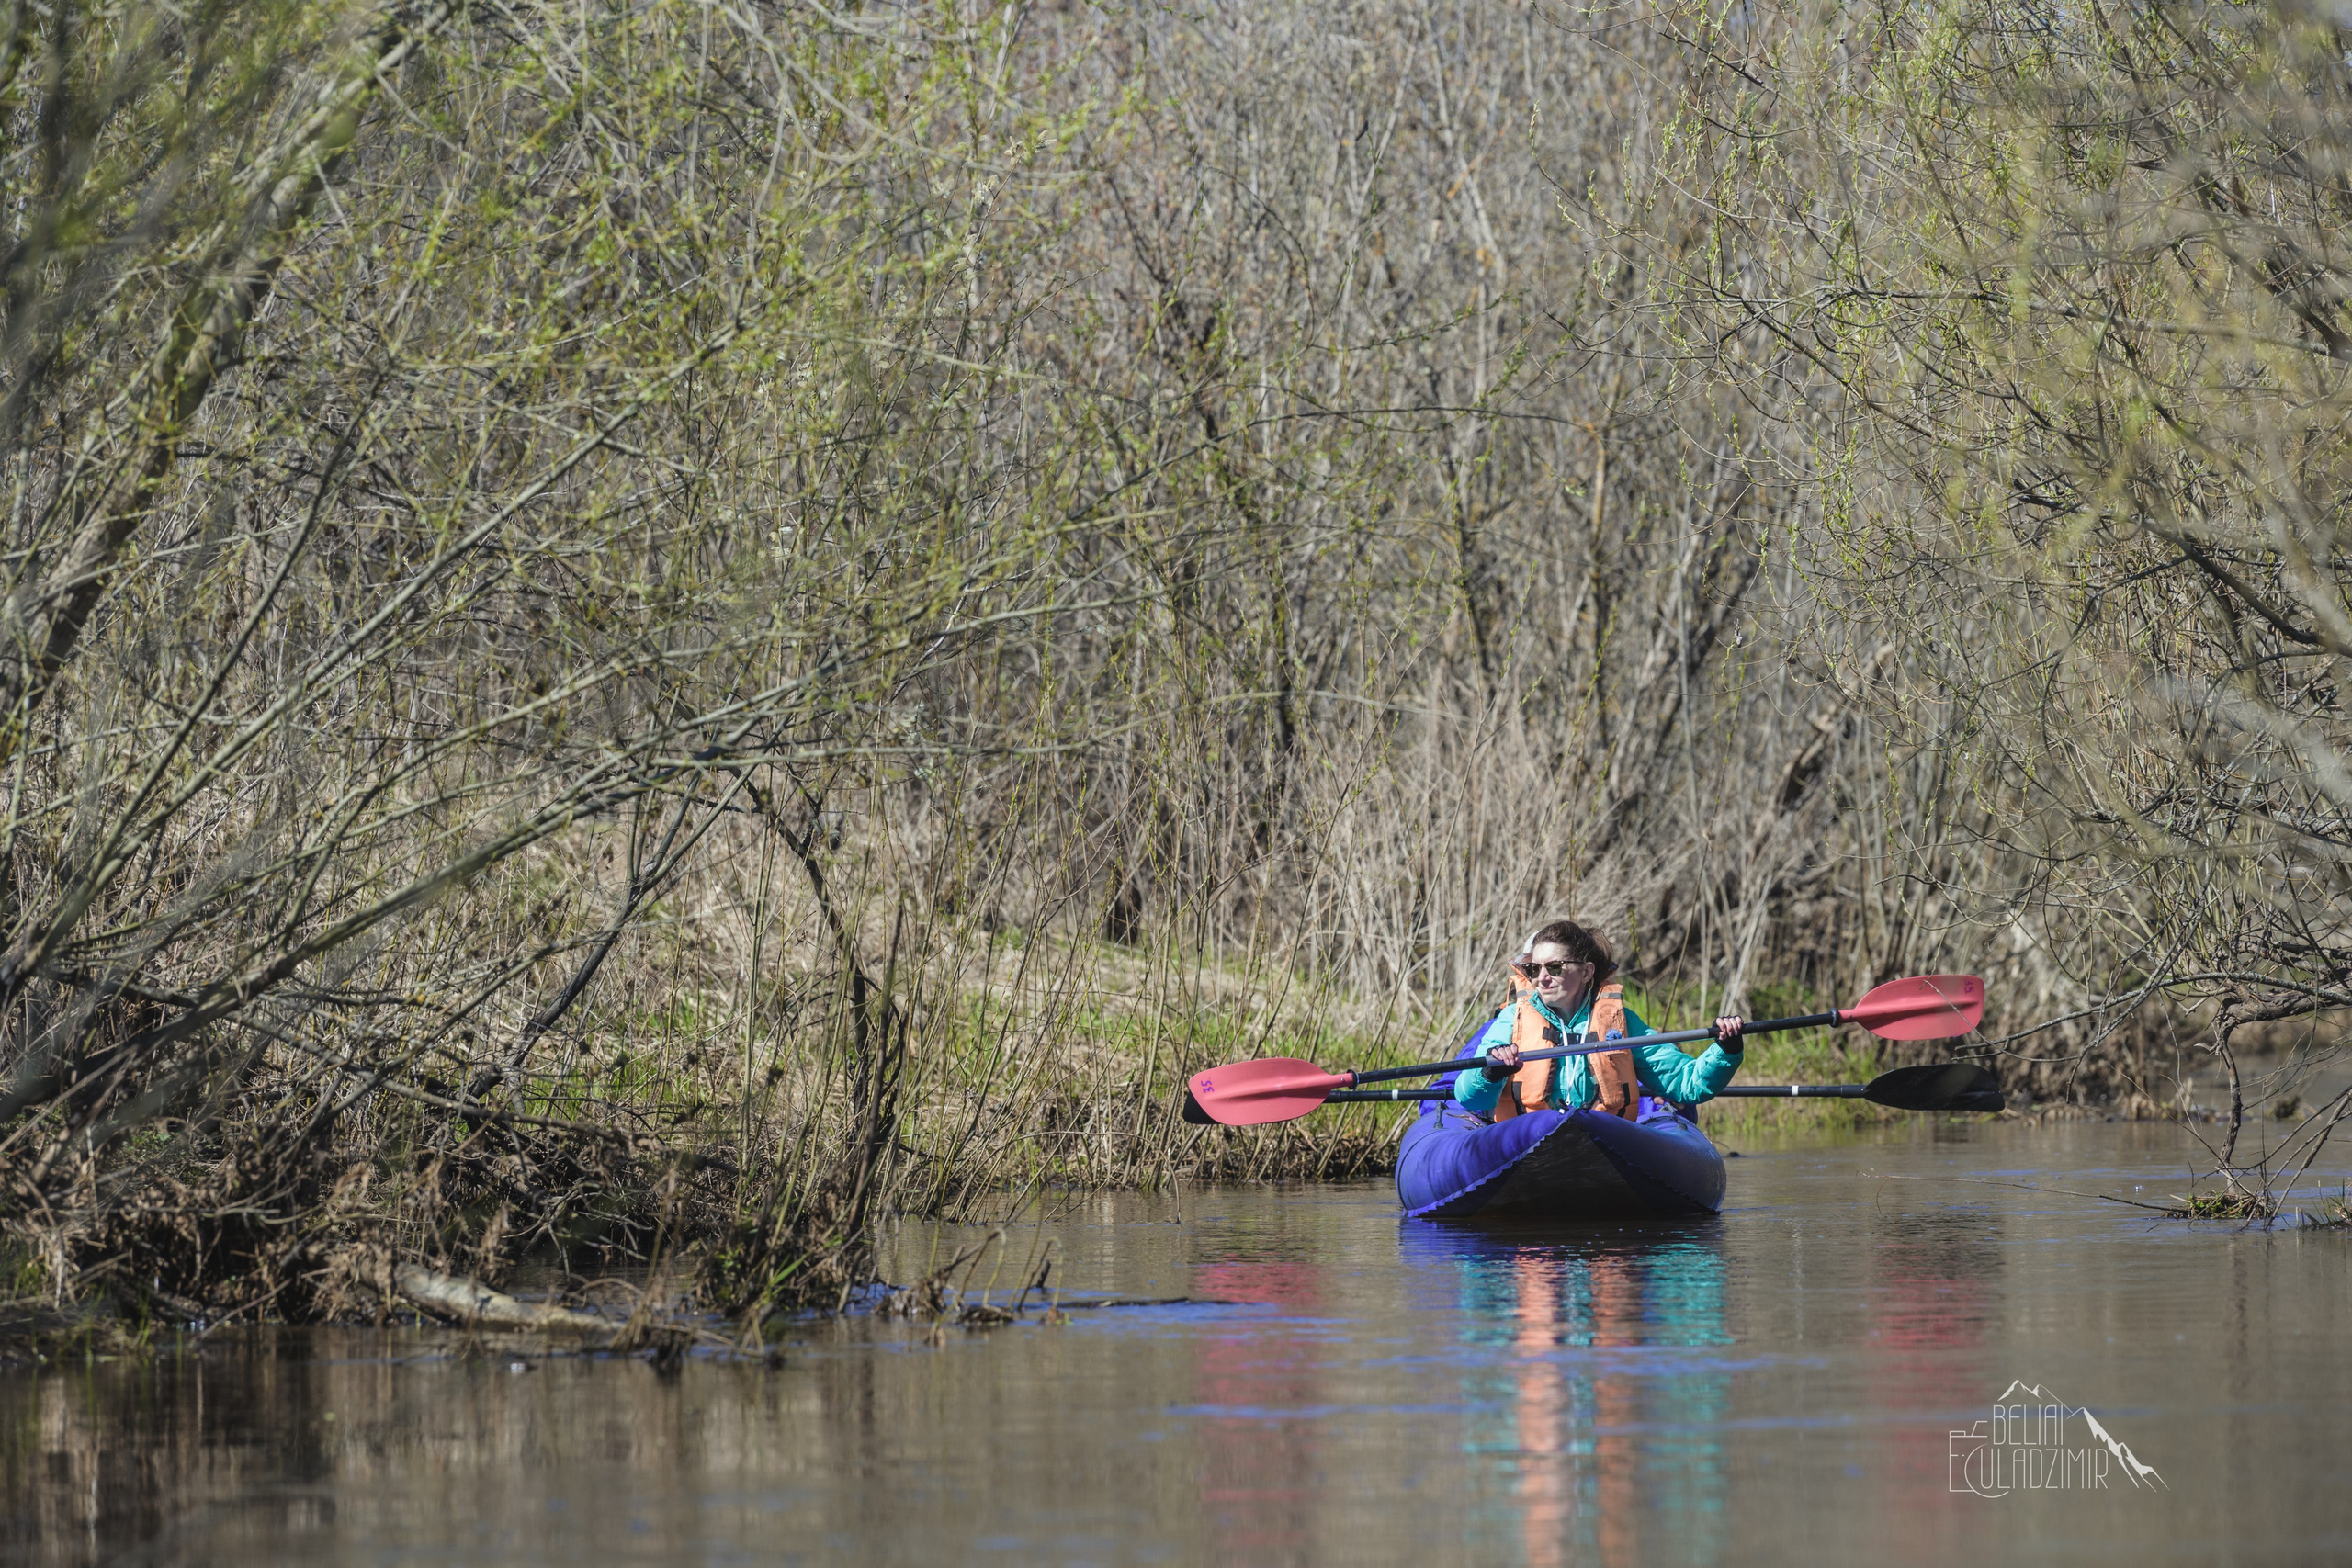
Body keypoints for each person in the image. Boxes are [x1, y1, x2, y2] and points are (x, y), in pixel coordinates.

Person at [1452, 919, 1747, 1121]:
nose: (1542, 978)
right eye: (1534, 969)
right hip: (1527, 1141)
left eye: (1554, 967)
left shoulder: (1620, 1022)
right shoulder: (1510, 1020)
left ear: (1587, 972)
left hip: (1601, 1138)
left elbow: (1686, 1084)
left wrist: (1727, 1049)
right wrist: (1490, 1073)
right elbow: (1469, 1097)